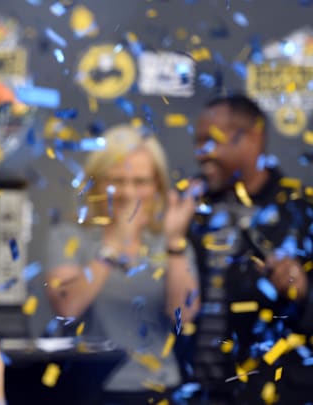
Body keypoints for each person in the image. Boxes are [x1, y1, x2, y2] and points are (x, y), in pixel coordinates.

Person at [44, 124, 201, 404]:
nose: (128, 192)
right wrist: (114, 243)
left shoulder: (169, 243)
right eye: (116, 180)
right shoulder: (69, 236)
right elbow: (67, 307)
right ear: (97, 183)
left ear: (157, 186)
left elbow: (184, 315)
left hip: (158, 389)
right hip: (87, 391)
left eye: (140, 181)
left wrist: (175, 243)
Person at [189, 94, 313, 404]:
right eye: (199, 141)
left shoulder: (301, 213)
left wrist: (303, 290)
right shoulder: (188, 209)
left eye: (210, 140)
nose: (200, 154)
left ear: (252, 138)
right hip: (196, 394)